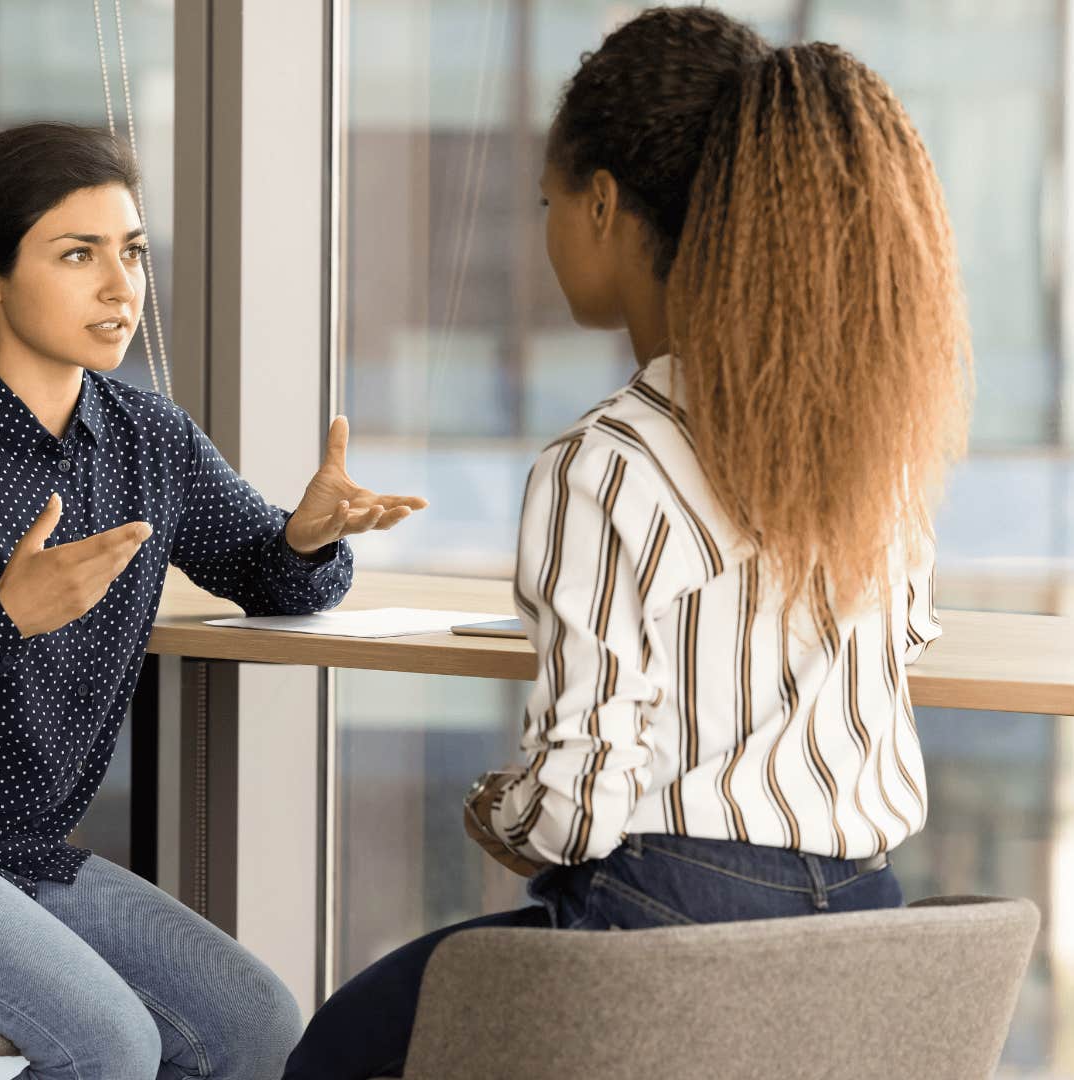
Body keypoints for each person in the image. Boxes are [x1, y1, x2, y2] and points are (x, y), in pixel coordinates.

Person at [285, 6, 970, 1077]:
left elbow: (576, 805)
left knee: (340, 1049)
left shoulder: (605, 465)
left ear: (602, 204)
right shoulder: (871, 450)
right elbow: (902, 643)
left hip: (671, 941)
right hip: (863, 946)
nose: (547, 225)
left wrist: (494, 809)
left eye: (548, 200)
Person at [0, 121, 427, 1080]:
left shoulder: (147, 435)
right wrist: (2, 619)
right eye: (78, 256)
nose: (121, 288)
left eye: (132, 253)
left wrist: (306, 539)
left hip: (10, 850)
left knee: (256, 1024)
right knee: (109, 1045)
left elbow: (266, 573)